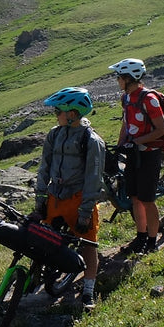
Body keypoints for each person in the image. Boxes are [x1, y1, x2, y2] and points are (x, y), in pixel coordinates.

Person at [33, 87, 105, 308]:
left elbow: (94, 178)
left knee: (88, 244)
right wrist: (41, 196)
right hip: (55, 197)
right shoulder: (54, 134)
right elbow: (45, 166)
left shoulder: (92, 141)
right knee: (43, 237)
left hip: (79, 199)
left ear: (72, 114)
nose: (55, 114)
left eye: (58, 111)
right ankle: (36, 276)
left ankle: (88, 290)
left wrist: (85, 211)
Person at [109, 58, 164, 254]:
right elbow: (126, 124)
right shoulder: (126, 98)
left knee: (147, 199)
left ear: (129, 78)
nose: (117, 81)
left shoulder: (149, 99)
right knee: (134, 198)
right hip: (133, 152)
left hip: (149, 154)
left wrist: (139, 141)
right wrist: (120, 146)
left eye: (119, 77)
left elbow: (161, 129)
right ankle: (140, 237)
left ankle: (152, 241)